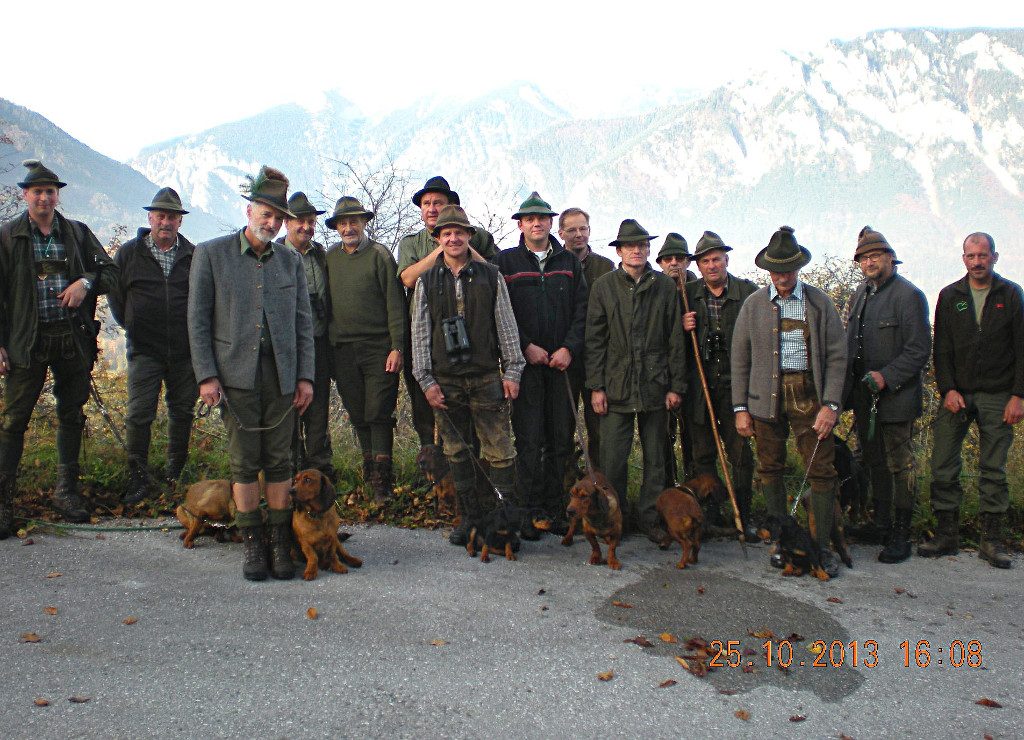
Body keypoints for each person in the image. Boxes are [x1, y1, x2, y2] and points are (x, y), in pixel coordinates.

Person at [188, 166, 314, 581]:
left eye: (279, 218)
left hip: (281, 376)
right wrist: (206, 375)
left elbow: (302, 324)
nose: (272, 223)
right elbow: (198, 322)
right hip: (233, 377)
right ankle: (252, 543)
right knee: (244, 463)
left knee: (279, 461)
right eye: (266, 213)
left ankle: (280, 541)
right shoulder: (211, 254)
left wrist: (305, 378)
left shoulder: (290, 261)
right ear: (248, 210)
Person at [0, 159, 118, 534]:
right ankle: (4, 501)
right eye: (37, 192)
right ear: (25, 195)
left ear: (57, 196)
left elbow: (111, 273)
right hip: (26, 341)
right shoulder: (7, 237)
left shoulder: (77, 234)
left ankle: (66, 493)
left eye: (50, 192)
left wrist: (85, 282)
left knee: (72, 413)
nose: (44, 198)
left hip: (71, 338)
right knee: (14, 420)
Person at [731, 226, 847, 576]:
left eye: (788, 269)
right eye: (776, 269)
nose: (782, 276)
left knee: (821, 468)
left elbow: (838, 356)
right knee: (769, 467)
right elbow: (741, 359)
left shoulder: (818, 303)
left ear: (798, 268)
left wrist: (831, 404)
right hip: (763, 397)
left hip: (808, 395)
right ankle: (782, 543)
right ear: (768, 270)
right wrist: (741, 408)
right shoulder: (753, 305)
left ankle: (821, 546)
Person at [411, 205, 524, 544]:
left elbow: (506, 325)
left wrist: (513, 371)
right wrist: (425, 380)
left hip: (487, 375)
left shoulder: (491, 275)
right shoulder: (426, 281)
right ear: (438, 239)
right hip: (445, 380)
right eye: (446, 233)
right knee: (457, 451)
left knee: (500, 451)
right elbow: (419, 333)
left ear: (469, 236)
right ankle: (469, 518)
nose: (453, 238)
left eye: (459, 232)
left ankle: (503, 521)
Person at [921, 232, 1023, 568]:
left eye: (983, 256)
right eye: (970, 256)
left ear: (995, 256)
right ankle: (947, 534)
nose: (977, 262)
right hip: (957, 394)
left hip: (998, 393)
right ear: (963, 258)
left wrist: (1018, 395)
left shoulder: (1011, 294)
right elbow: (942, 347)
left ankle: (991, 540)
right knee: (943, 465)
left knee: (993, 468)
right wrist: (947, 388)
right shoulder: (951, 296)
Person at [586, 219, 686, 542]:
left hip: (656, 387)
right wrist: (596, 387)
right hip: (615, 387)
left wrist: (675, 386)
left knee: (656, 459)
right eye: (630, 245)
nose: (637, 250)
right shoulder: (603, 287)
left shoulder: (664, 287)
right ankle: (614, 518)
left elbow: (675, 340)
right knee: (613, 459)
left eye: (642, 245)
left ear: (648, 250)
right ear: (619, 251)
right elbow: (595, 340)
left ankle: (649, 518)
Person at [496, 192, 587, 538]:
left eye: (543, 219)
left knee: (560, 440)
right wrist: (524, 347)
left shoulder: (570, 263)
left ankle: (556, 508)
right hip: (526, 368)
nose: (537, 224)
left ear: (551, 224)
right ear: (520, 224)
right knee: (530, 440)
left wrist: (569, 348)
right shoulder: (506, 263)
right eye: (530, 219)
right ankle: (528, 511)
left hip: (563, 367)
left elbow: (583, 311)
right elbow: (500, 313)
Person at [841, 226, 930, 564]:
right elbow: (850, 345)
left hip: (896, 397)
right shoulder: (860, 294)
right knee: (873, 459)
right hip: (865, 398)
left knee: (900, 465)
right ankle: (879, 523)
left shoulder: (909, 295)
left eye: (875, 255)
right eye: (864, 257)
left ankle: (900, 533)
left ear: (891, 258)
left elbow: (920, 348)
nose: (869, 261)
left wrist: (886, 377)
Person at [397, 177, 498, 464]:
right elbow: (407, 278)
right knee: (425, 401)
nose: (432, 208)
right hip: (426, 332)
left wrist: (460, 244)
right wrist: (441, 249)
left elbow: (493, 274)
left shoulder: (478, 238)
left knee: (469, 405)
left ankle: (474, 466)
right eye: (426, 203)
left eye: (438, 203)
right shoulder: (411, 243)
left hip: (474, 334)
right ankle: (431, 463)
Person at [109, 187, 197, 504]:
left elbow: (202, 302)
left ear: (179, 222)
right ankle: (138, 480)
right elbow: (117, 299)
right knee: (139, 415)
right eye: (161, 215)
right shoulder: (130, 253)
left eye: (172, 217)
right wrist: (134, 323)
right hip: (145, 349)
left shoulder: (192, 254)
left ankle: (175, 477)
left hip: (185, 352)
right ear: (150, 218)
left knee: (182, 413)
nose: (166, 222)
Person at [324, 196, 405, 501]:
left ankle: (382, 480)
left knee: (378, 411)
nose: (348, 227)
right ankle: (368, 468)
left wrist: (397, 346)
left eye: (353, 222)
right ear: (336, 228)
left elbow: (394, 304)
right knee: (357, 412)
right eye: (343, 223)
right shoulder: (330, 258)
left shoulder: (379, 256)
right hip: (343, 348)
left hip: (379, 347)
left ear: (364, 223)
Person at [681, 231, 759, 536]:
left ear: (726, 260)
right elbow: (673, 341)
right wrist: (682, 323)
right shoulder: (686, 294)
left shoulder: (748, 293)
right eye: (705, 261)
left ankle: (744, 514)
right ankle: (709, 514)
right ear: (698, 266)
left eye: (716, 259)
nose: (712, 265)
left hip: (735, 386)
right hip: (700, 387)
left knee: (740, 454)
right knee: (702, 454)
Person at [277, 192, 336, 483]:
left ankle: (319, 471)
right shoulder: (274, 255)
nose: (306, 227)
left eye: (311, 221)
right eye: (300, 221)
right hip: (286, 348)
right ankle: (290, 471)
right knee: (289, 410)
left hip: (319, 344)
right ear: (287, 222)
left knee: (318, 409)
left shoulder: (321, 255)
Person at [558, 207, 613, 470]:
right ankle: (568, 486)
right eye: (572, 230)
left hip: (598, 358)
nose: (578, 235)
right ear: (561, 233)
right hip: (565, 356)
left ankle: (600, 486)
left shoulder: (605, 267)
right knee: (563, 426)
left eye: (583, 229)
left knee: (599, 427)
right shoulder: (555, 264)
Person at [655, 232, 698, 485]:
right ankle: (668, 488)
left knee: (694, 435)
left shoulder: (698, 291)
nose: (674, 263)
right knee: (663, 437)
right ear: (660, 263)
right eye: (668, 258)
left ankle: (695, 486)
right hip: (663, 377)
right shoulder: (654, 290)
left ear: (688, 261)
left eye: (680, 258)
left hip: (694, 375)